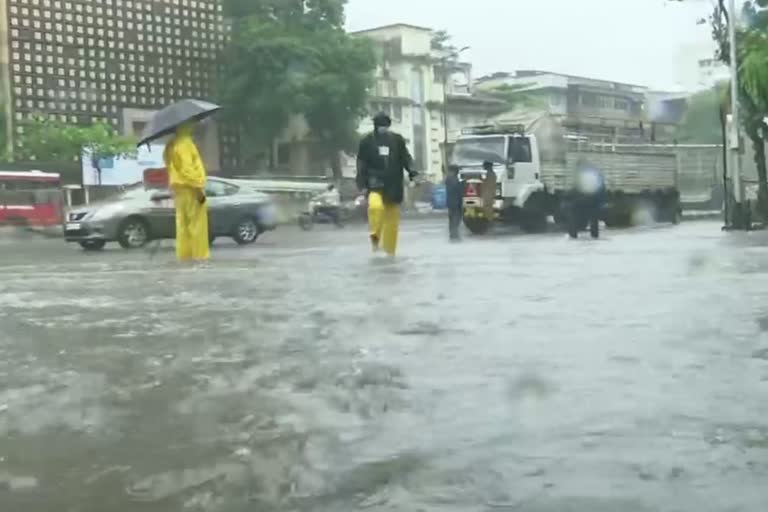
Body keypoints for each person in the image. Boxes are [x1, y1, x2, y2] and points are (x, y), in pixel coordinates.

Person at [356, 112, 416, 256]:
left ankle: (390, 253)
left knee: (392, 222)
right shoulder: (366, 141)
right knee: (376, 208)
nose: (383, 128)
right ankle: (375, 237)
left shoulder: (397, 140)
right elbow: (361, 164)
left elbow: (405, 158)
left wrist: (412, 171)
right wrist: (362, 184)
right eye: (380, 125)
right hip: (374, 183)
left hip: (394, 185)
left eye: (385, 125)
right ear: (375, 126)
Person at [163, 123, 209, 262]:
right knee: (197, 225)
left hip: (179, 190)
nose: (193, 126)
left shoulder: (171, 145)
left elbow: (169, 165)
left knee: (182, 225)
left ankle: (185, 256)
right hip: (190, 189)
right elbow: (187, 169)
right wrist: (198, 188)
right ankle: (199, 255)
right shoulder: (185, 144)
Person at [568, 166, 605, 240]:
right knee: (593, 221)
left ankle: (573, 235)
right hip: (591, 204)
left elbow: (572, 192)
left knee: (574, 220)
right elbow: (601, 192)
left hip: (580, 204)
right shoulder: (596, 181)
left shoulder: (580, 182)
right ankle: (594, 236)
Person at [445, 164, 463, 241]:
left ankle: (453, 235)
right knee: (456, 218)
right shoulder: (453, 180)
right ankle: (454, 235)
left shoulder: (449, 179)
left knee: (452, 218)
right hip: (455, 202)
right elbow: (457, 191)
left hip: (451, 202)